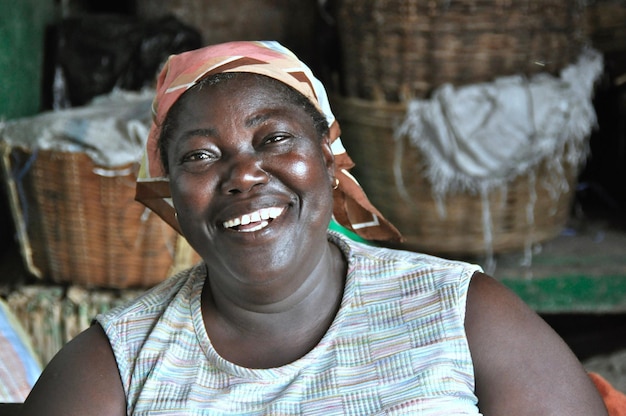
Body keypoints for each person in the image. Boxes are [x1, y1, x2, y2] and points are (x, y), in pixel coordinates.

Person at [20, 41, 607, 415]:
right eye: (199, 156)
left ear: (329, 158)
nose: (243, 175)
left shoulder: (461, 313)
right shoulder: (115, 367)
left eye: (274, 138)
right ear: (170, 193)